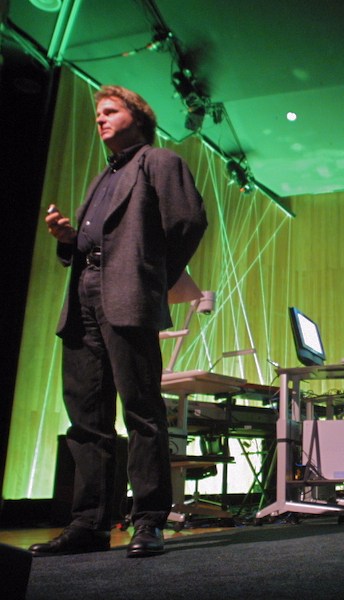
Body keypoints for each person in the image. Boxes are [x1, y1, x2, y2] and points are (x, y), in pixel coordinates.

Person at [29, 85, 207, 558]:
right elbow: (94, 245)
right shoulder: (101, 178)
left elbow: (188, 223)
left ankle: (148, 520)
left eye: (110, 111)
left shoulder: (160, 161)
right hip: (82, 300)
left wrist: (150, 277)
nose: (100, 119)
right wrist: (67, 239)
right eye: (98, 114)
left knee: (142, 411)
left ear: (138, 116)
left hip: (127, 299)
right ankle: (89, 524)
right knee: (86, 419)